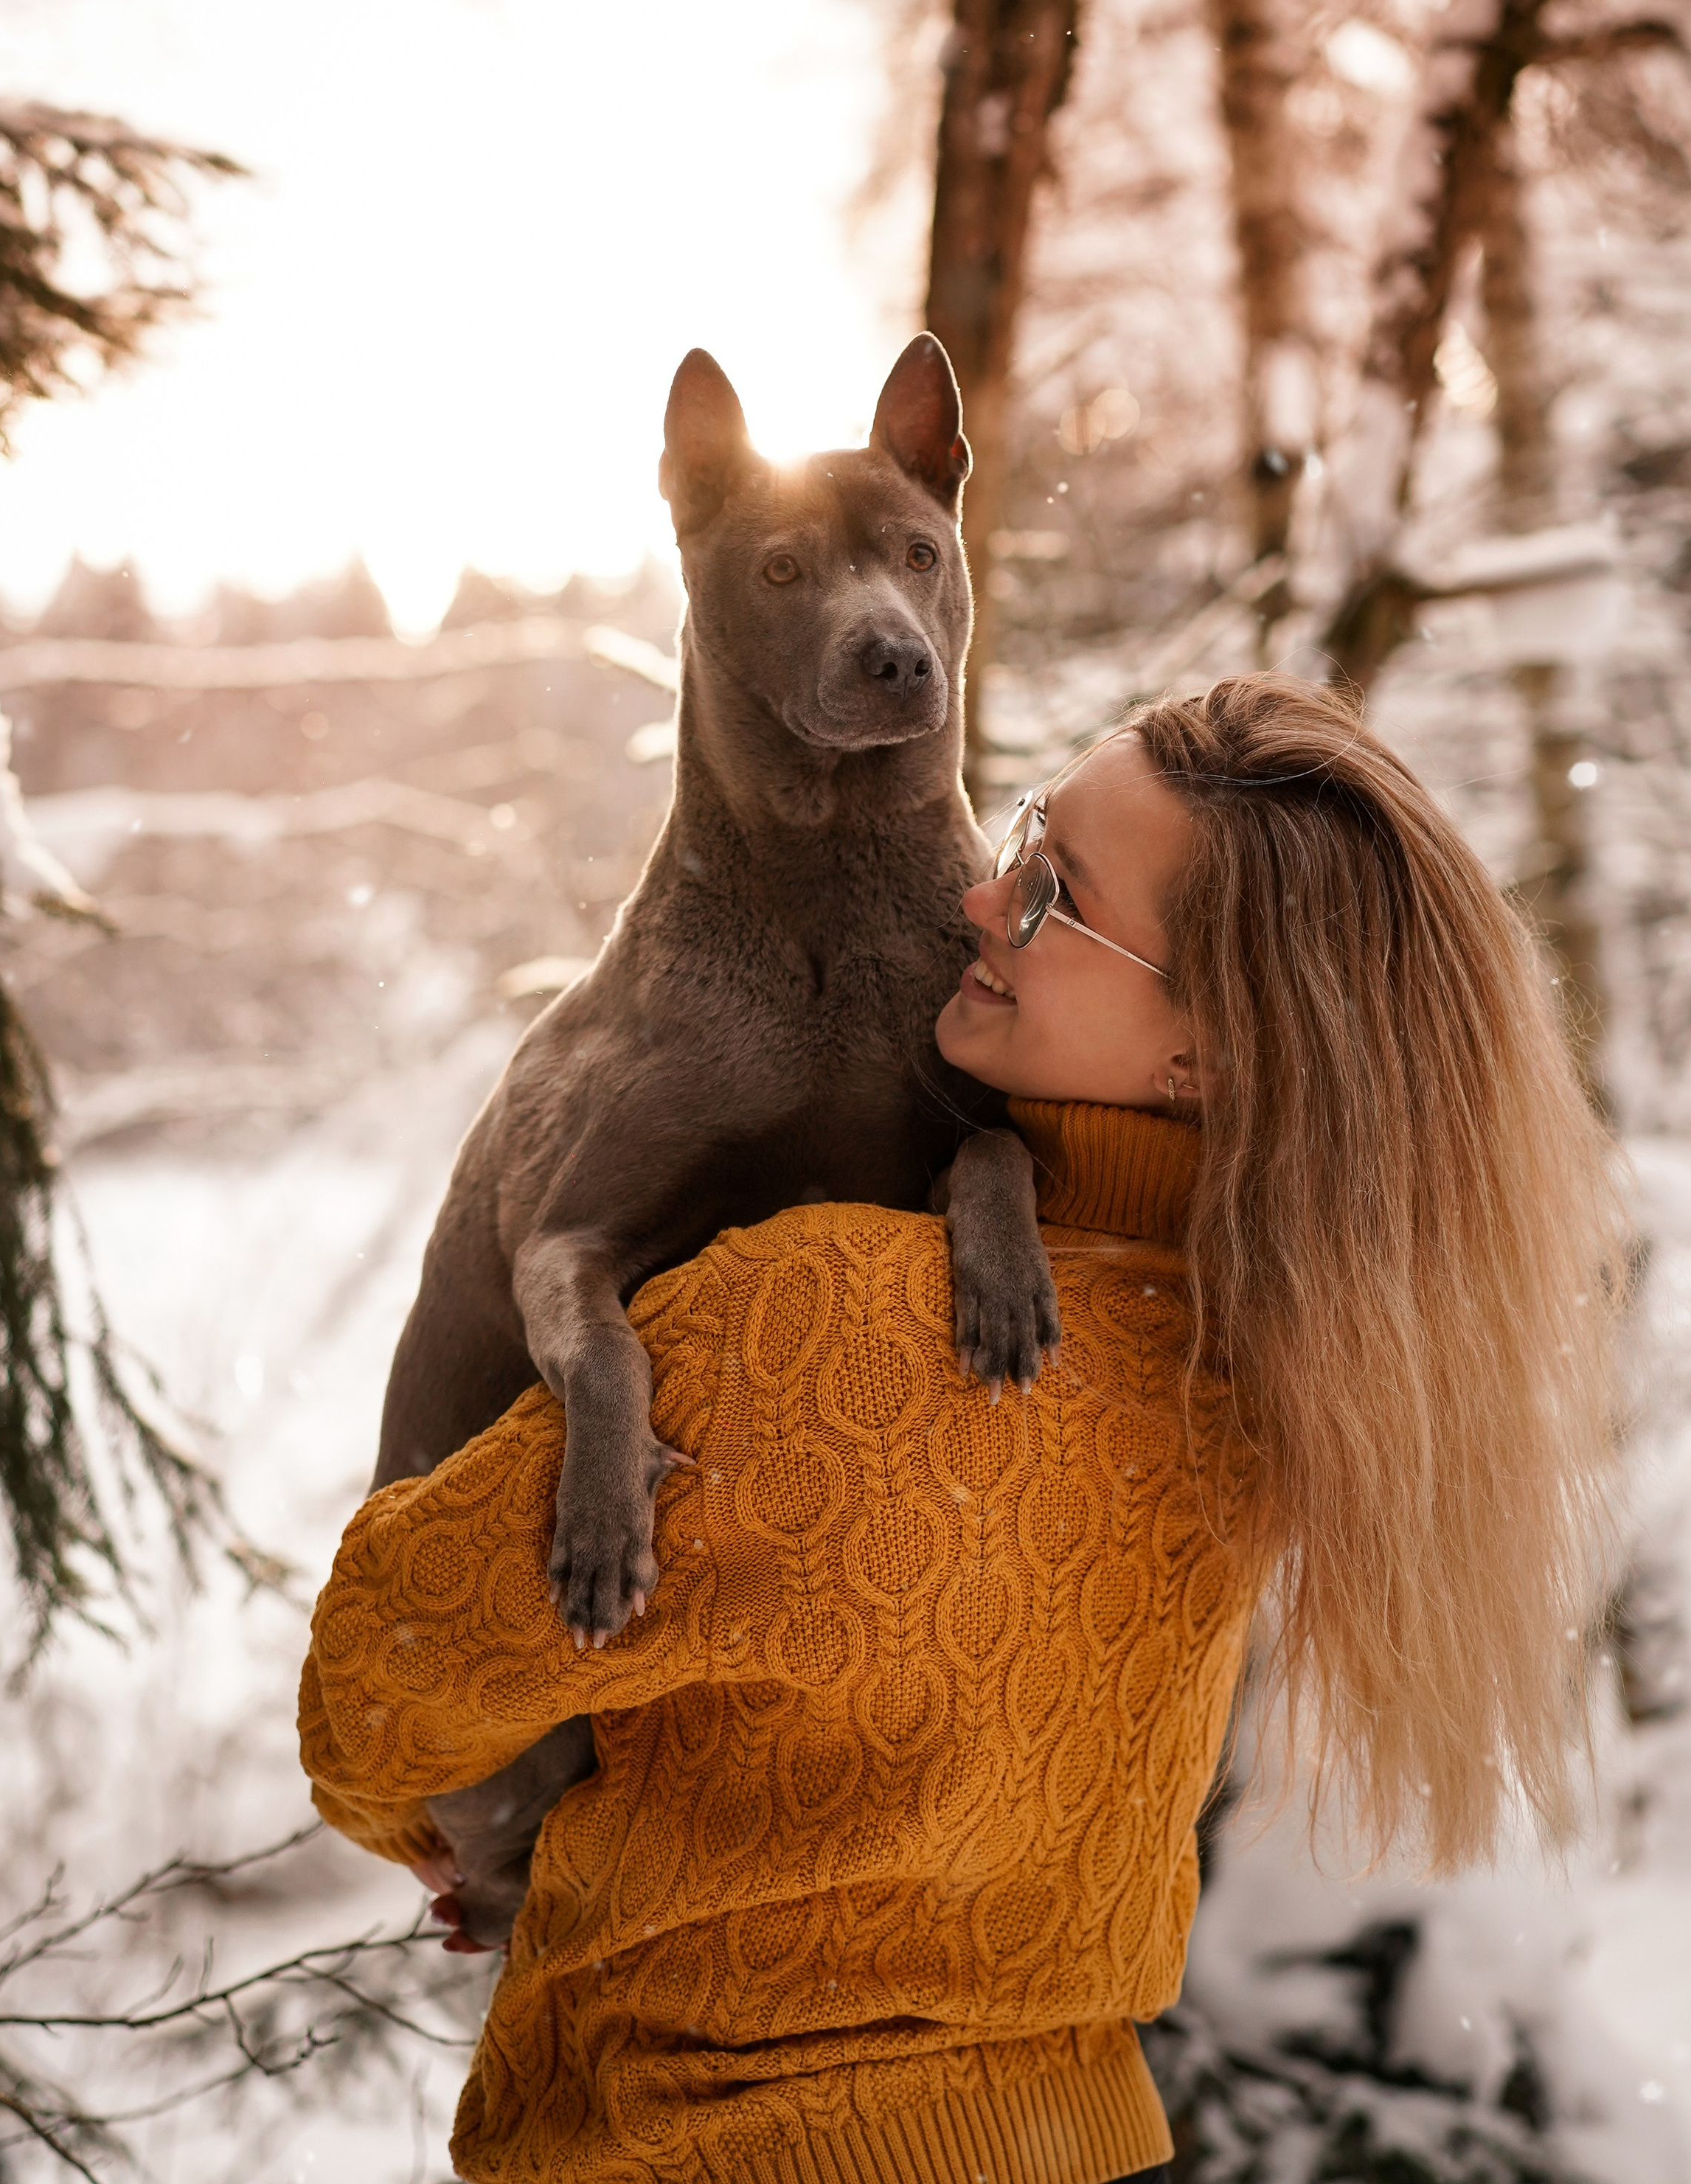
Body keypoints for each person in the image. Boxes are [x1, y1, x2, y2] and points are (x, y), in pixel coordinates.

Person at [299, 675, 1622, 2184]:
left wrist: (453, 1804)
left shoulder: (805, 1320)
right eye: (1022, 837)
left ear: (1205, 1052)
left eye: (1057, 895)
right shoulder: (1266, 1383)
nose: (983, 900)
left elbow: (379, 1692)